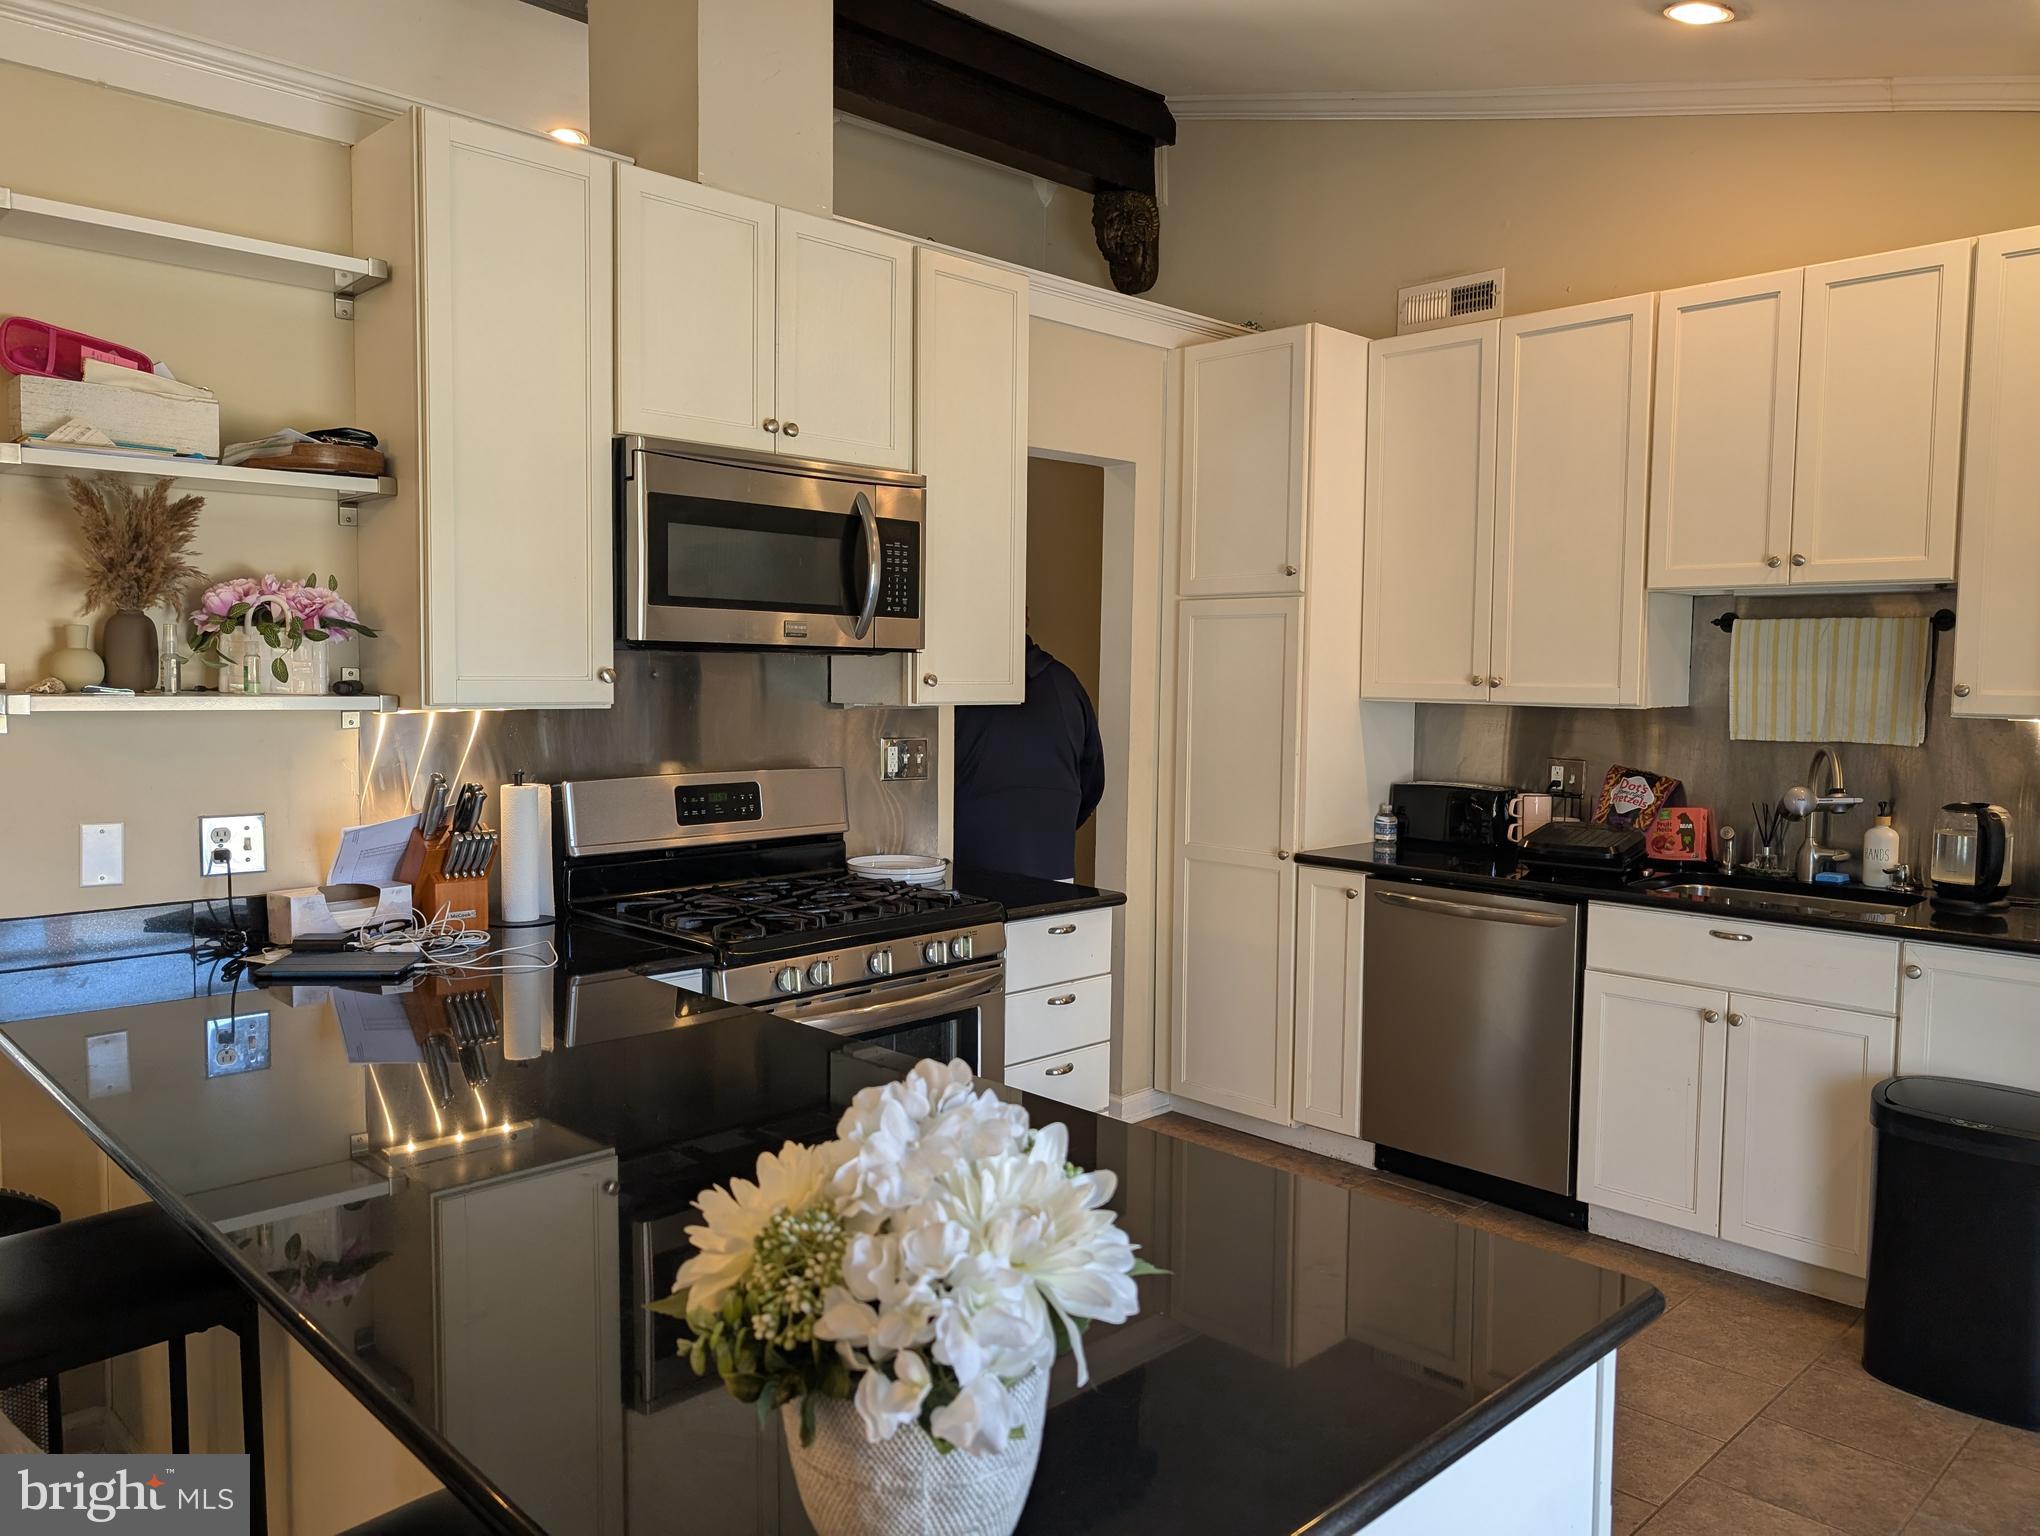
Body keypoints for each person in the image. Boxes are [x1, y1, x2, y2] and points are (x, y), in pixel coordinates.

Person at [953, 637, 1105, 882]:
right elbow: (1092, 782)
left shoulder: (955, 686)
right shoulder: (1065, 684)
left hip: (971, 872)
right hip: (1054, 869)